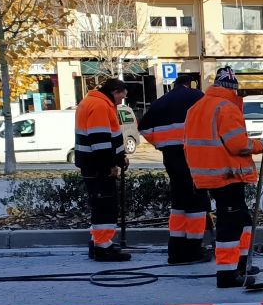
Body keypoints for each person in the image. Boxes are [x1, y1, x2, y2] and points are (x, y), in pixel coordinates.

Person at [183, 67, 263, 289]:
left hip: (207, 174)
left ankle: (241, 263)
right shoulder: (226, 108)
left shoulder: (196, 107)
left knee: (243, 220)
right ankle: (227, 273)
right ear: (232, 88)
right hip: (227, 174)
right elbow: (238, 145)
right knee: (230, 224)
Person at [139, 81, 208, 264]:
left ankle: (176, 249)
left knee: (178, 203)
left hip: (171, 158)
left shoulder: (160, 101)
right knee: (196, 204)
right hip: (193, 155)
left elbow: (144, 127)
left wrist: (161, 143)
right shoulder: (197, 96)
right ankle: (194, 249)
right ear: (190, 84)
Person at [75, 78, 132, 262]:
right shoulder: (100, 106)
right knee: (105, 205)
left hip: (92, 164)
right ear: (115, 91)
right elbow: (100, 140)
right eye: (122, 96)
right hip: (98, 165)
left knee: (99, 204)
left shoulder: (94, 102)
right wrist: (110, 165)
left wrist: (120, 156)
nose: (122, 100)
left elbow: (110, 135)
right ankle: (103, 246)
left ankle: (98, 242)